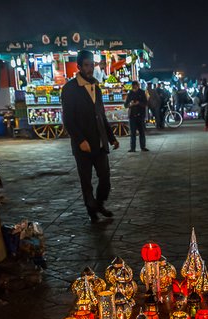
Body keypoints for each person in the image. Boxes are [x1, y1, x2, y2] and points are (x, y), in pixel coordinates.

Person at [61, 49, 120, 224]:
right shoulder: (70, 89)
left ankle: (99, 203)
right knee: (86, 180)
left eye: (92, 65)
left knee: (105, 177)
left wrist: (111, 138)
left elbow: (101, 115)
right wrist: (80, 140)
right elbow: (68, 120)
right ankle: (91, 210)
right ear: (79, 66)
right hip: (83, 145)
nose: (90, 69)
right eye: (86, 65)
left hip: (99, 142)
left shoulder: (96, 87)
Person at [124, 81, 148, 152]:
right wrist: (130, 104)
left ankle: (143, 147)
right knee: (133, 133)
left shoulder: (142, 93)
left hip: (140, 115)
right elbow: (125, 105)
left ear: (138, 86)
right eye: (133, 87)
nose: (134, 88)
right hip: (132, 116)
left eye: (136, 87)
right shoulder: (130, 93)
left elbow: (145, 103)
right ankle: (132, 148)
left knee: (142, 132)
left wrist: (139, 103)